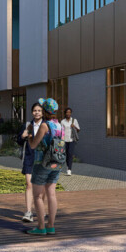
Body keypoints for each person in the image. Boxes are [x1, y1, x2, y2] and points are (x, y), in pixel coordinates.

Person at [26, 98, 63, 236]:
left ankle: (41, 227)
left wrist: (30, 133)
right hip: (57, 163)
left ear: (45, 111)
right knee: (52, 194)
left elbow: (33, 145)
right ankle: (51, 226)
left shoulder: (44, 126)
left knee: (37, 196)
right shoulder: (60, 125)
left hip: (42, 163)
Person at [60, 108, 81, 176]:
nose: (68, 113)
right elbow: (61, 131)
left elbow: (78, 130)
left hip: (72, 140)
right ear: (65, 113)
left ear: (71, 113)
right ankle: (67, 166)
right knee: (66, 154)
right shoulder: (62, 121)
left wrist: (74, 126)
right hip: (64, 140)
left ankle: (69, 169)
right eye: (67, 112)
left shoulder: (74, 120)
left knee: (70, 154)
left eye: (69, 112)